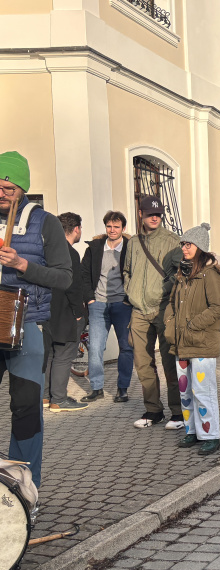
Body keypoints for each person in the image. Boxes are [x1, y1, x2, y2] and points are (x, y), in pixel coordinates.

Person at [0, 151, 72, 493]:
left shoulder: (46, 222)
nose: (1, 192)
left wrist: (22, 265)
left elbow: (64, 278)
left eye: (8, 186)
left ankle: (25, 489)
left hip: (25, 326)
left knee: (26, 408)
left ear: (22, 188)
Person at [164, 223, 220, 455]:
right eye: (183, 244)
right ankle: (191, 431)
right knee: (185, 391)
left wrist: (193, 325)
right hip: (181, 343)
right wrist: (170, 322)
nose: (184, 248)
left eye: (189, 244)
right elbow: (172, 302)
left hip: (201, 343)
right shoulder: (182, 273)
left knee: (203, 391)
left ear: (200, 247)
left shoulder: (211, 275)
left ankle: (210, 435)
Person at [124, 195, 182, 429]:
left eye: (158, 214)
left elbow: (180, 273)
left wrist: (164, 291)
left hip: (163, 308)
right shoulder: (133, 243)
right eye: (150, 214)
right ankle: (153, 410)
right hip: (138, 310)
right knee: (143, 363)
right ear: (141, 214)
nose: (155, 217)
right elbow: (126, 270)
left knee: (170, 362)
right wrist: (130, 291)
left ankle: (178, 412)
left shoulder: (172, 240)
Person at [79, 211, 133, 403]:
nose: (112, 230)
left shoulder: (130, 248)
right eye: (109, 226)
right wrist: (89, 298)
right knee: (94, 347)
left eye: (116, 227)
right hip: (98, 305)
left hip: (122, 305)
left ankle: (122, 388)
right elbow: (84, 274)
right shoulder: (94, 248)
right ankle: (96, 388)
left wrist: (129, 299)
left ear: (123, 229)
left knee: (126, 347)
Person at [44, 212, 89, 412]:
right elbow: (73, 286)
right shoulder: (70, 253)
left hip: (47, 310)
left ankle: (45, 397)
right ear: (76, 229)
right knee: (63, 354)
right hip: (65, 311)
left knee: (51, 354)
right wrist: (79, 312)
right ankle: (59, 400)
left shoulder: (46, 249)